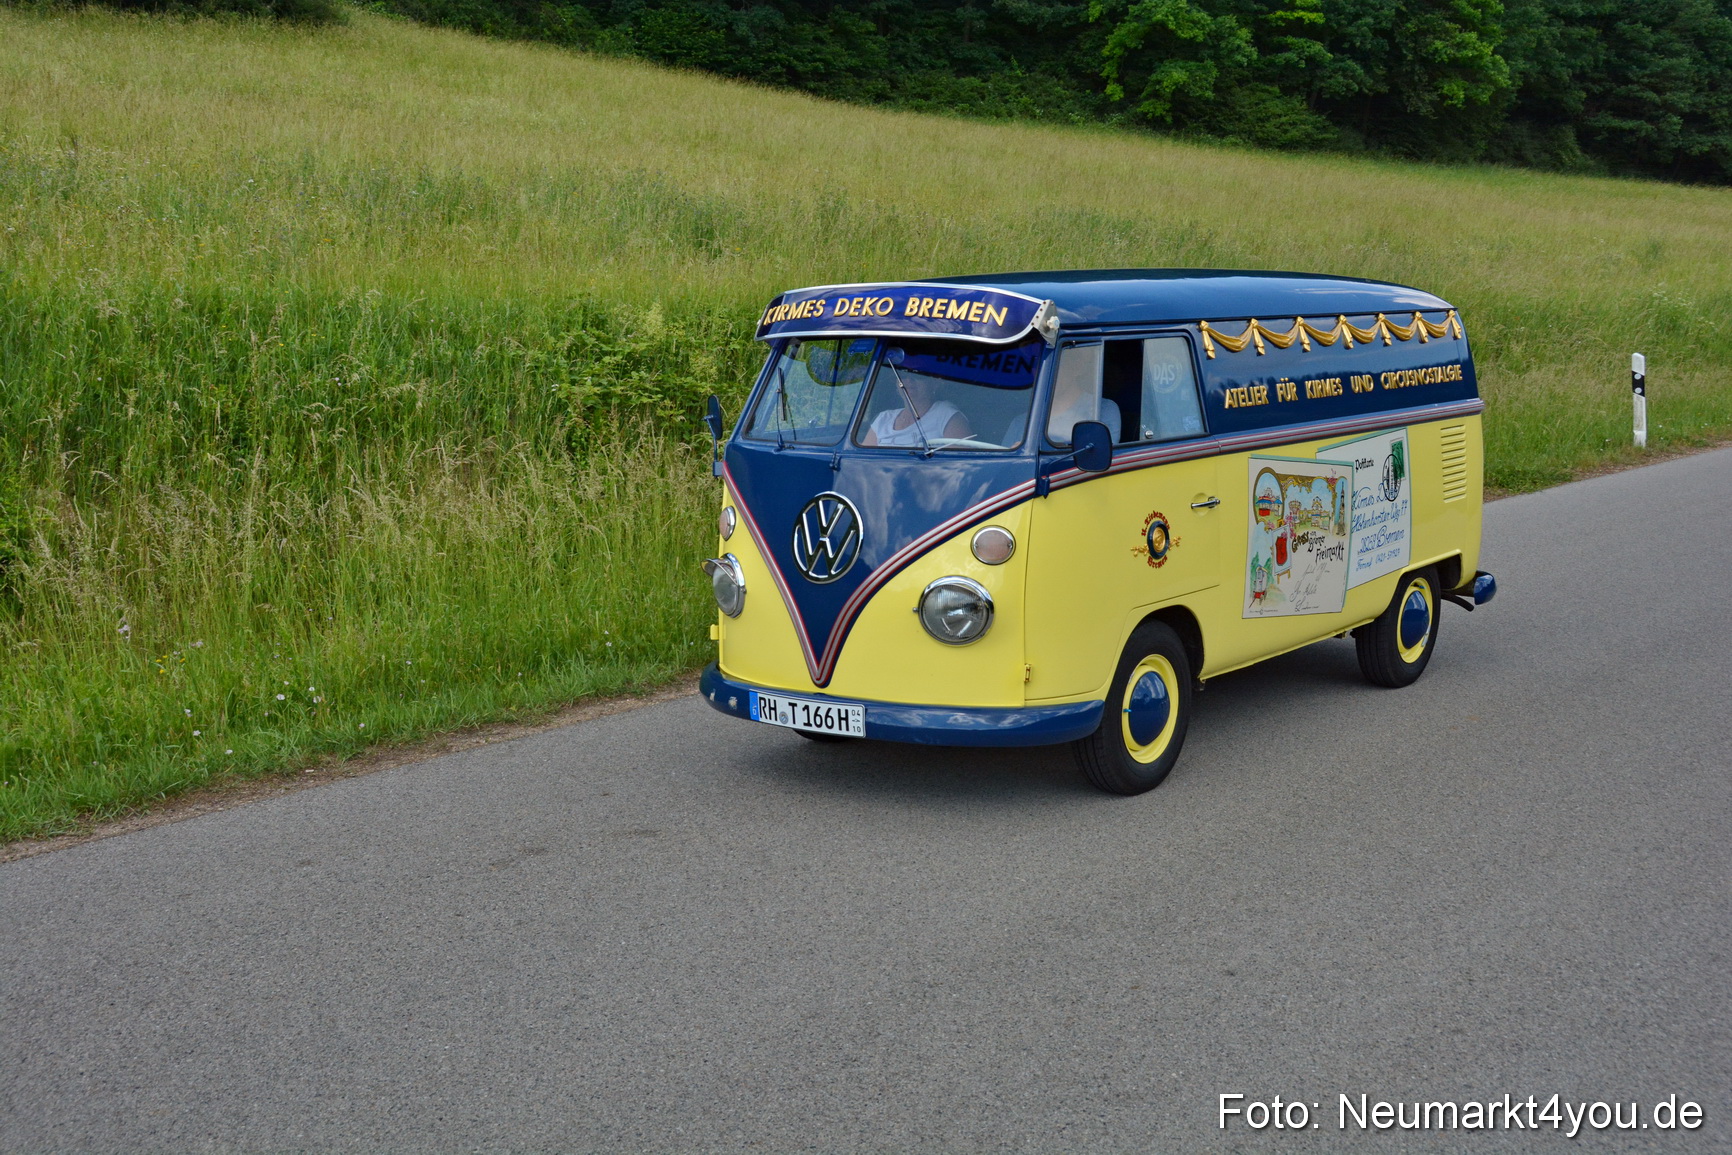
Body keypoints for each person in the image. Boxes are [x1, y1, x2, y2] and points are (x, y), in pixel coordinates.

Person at [861, 373, 972, 446]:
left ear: (934, 384)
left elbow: (959, 465)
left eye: (918, 374)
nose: (909, 380)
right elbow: (862, 461)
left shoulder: (947, 415)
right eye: (903, 374)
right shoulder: (883, 418)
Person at [1045, 349, 1121, 443]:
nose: (1048, 375)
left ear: (1077, 368)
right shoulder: (1027, 420)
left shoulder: (1103, 409)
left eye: (1056, 367)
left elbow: (1098, 455)